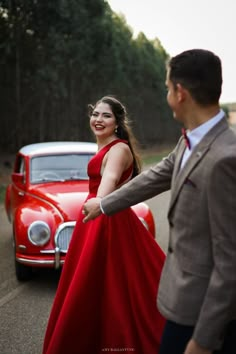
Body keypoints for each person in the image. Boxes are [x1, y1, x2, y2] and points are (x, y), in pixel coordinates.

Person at [83, 49, 236, 354]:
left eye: (167, 88)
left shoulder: (225, 158)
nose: (167, 95)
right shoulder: (189, 139)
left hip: (204, 315)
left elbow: (230, 260)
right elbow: (155, 177)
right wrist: (103, 205)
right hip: (178, 301)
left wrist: (203, 339)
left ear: (180, 93)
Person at [42, 96, 166, 354]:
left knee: (107, 284)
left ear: (117, 121)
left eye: (106, 115)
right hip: (96, 217)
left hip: (105, 219)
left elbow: (108, 180)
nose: (98, 120)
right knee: (96, 284)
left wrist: (99, 201)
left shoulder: (118, 149)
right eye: (95, 114)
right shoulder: (104, 146)